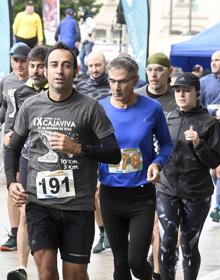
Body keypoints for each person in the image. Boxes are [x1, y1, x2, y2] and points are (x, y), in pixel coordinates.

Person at [4, 42, 121, 280]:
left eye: (66, 65)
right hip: (40, 204)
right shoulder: (31, 106)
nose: (59, 71)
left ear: (75, 71)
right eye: (54, 65)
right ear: (45, 71)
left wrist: (78, 148)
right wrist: (11, 183)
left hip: (78, 206)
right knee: (46, 272)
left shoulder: (90, 108)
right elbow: (12, 148)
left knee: (74, 275)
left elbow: (113, 153)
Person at [98, 56, 173, 280]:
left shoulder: (152, 108)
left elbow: (167, 144)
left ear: (134, 81)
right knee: (120, 264)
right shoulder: (100, 108)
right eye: (111, 81)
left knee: (136, 262)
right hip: (110, 195)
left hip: (141, 195)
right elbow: (90, 144)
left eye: (122, 81)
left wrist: (157, 163)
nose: (116, 87)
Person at [156, 73, 220, 280]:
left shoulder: (209, 123)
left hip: (196, 193)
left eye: (186, 90)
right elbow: (160, 149)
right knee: (167, 239)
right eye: (177, 90)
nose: (181, 94)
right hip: (167, 188)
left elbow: (214, 162)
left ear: (197, 93)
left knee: (188, 244)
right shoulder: (169, 118)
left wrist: (199, 143)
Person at [6, 45, 49, 280]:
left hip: (53, 162)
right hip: (27, 158)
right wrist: (9, 133)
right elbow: (14, 124)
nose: (35, 70)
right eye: (32, 66)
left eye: (40, 65)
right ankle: (22, 267)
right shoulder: (19, 92)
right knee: (24, 213)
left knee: (52, 216)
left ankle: (50, 266)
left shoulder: (58, 90)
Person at [136, 52, 176, 280]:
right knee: (149, 225)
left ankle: (160, 269)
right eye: (150, 69)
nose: (153, 74)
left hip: (171, 170)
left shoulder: (176, 97)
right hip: (141, 169)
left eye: (159, 69)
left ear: (168, 72)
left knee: (164, 227)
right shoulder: (137, 96)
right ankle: (153, 266)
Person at [77, 50, 111, 254]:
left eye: (98, 65)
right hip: (88, 145)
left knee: (108, 190)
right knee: (94, 192)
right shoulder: (80, 86)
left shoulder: (113, 84)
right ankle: (103, 232)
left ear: (105, 65)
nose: (94, 69)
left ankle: (115, 231)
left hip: (110, 142)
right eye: (91, 66)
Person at [0, 44, 30, 252]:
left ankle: (29, 230)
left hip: (30, 141)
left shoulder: (37, 83)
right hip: (9, 140)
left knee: (27, 185)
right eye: (15, 60)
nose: (19, 64)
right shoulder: (6, 80)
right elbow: (3, 106)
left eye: (23, 60)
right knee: (12, 184)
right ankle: (13, 232)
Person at [200, 50, 220, 222]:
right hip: (210, 131)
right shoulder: (204, 82)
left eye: (217, 60)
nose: (213, 63)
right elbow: (198, 107)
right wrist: (214, 112)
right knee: (214, 171)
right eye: (212, 59)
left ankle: (218, 207)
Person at [78, 7, 96, 75]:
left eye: (80, 11)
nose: (79, 13)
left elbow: (93, 25)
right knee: (81, 56)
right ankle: (83, 71)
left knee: (89, 56)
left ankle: (90, 71)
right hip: (84, 41)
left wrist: (89, 32)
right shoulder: (83, 20)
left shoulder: (88, 19)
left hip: (88, 40)